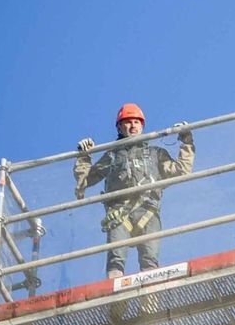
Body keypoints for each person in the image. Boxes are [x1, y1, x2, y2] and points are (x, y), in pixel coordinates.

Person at [75, 103, 194, 278]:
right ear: (119, 127)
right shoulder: (112, 156)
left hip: (148, 212)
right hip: (119, 215)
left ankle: (150, 305)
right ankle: (116, 303)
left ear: (142, 126)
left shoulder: (154, 153)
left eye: (136, 122)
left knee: (150, 263)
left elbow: (181, 169)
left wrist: (186, 139)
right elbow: (83, 181)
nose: (132, 126)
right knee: (115, 263)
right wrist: (83, 155)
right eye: (127, 122)